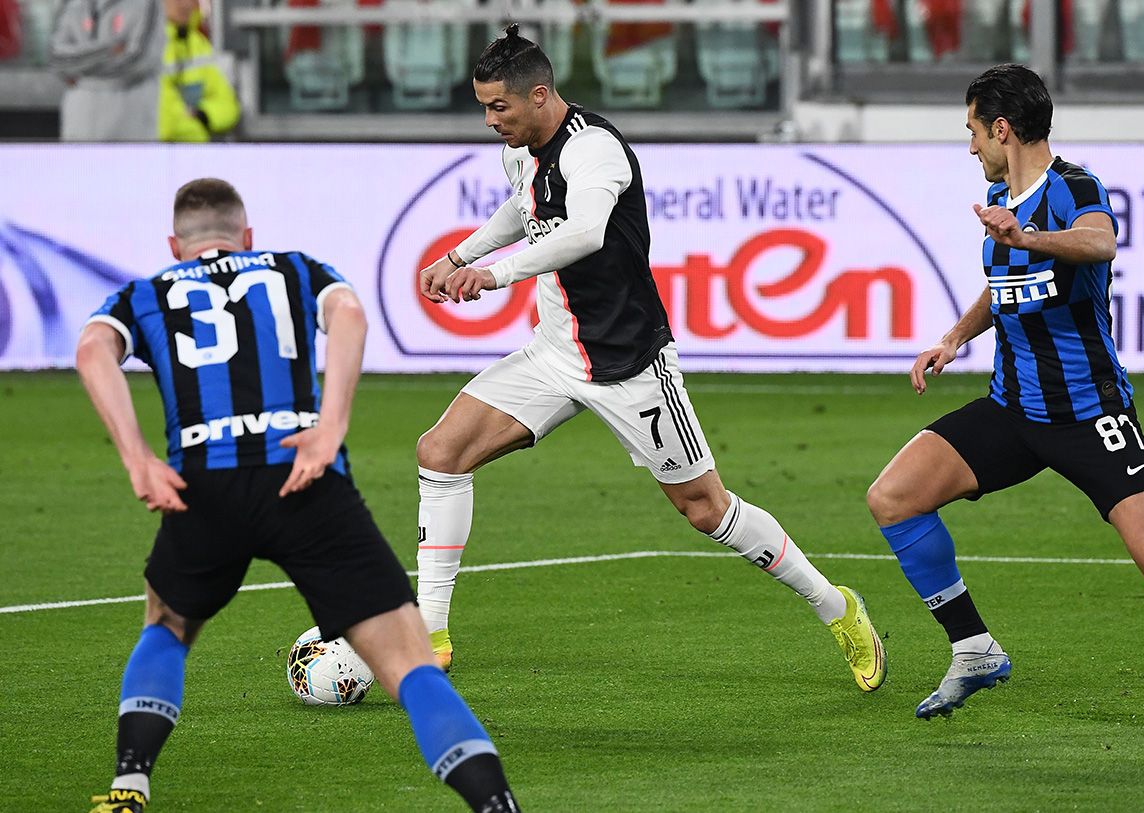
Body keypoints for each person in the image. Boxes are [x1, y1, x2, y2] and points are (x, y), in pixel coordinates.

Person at [415, 24, 886, 693]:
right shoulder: (521, 150)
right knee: (440, 451)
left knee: (706, 510)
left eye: (499, 107)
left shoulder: (594, 151)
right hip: (555, 353)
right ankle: (430, 635)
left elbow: (585, 231)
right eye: (485, 106)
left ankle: (835, 606)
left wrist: (495, 277)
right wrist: (461, 254)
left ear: (540, 95)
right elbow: (523, 211)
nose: (490, 120)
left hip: (628, 363)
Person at [865, 63, 1144, 745]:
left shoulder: (1072, 190)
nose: (970, 145)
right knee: (892, 496)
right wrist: (953, 336)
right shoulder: (1003, 206)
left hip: (1092, 416)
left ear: (1001, 129)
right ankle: (974, 647)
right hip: (1012, 410)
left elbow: (1101, 243)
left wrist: (1026, 236)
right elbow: (1002, 282)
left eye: (973, 131)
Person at [78, 178, 522, 813]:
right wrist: (332, 425)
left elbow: (93, 348)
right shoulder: (291, 268)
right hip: (305, 479)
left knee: (168, 627)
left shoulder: (147, 292)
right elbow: (348, 313)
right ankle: (496, 807)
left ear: (176, 244)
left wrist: (137, 458)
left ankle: (129, 786)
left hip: (206, 484)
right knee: (409, 664)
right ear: (248, 236)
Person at [50, 0, 165, 141]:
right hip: (79, 126)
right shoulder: (72, 5)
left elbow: (138, 61)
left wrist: (79, 68)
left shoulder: (147, 4)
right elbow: (57, 59)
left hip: (130, 127)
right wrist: (108, 51)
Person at [158, 0, 239, 142]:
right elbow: (161, 121)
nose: (186, 4)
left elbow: (229, 106)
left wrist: (203, 114)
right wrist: (198, 131)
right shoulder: (144, 50)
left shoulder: (201, 46)